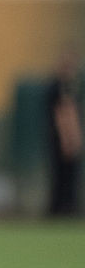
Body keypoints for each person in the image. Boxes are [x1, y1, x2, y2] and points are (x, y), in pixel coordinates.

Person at [47, 48, 83, 217]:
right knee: (59, 176)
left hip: (71, 141)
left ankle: (69, 207)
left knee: (71, 177)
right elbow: (62, 115)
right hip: (59, 141)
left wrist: (75, 139)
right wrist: (66, 140)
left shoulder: (73, 88)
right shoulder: (56, 88)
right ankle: (57, 210)